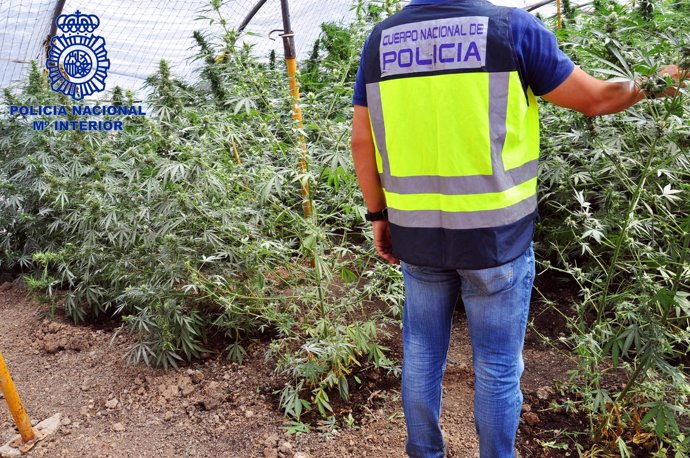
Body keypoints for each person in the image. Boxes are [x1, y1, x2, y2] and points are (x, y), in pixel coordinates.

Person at [350, 0, 684, 457]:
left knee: (422, 356)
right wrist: (661, 81)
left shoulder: (381, 40)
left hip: (417, 232)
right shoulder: (511, 28)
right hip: (495, 239)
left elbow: (362, 139)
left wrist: (378, 216)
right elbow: (597, 98)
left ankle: (424, 453)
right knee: (497, 366)